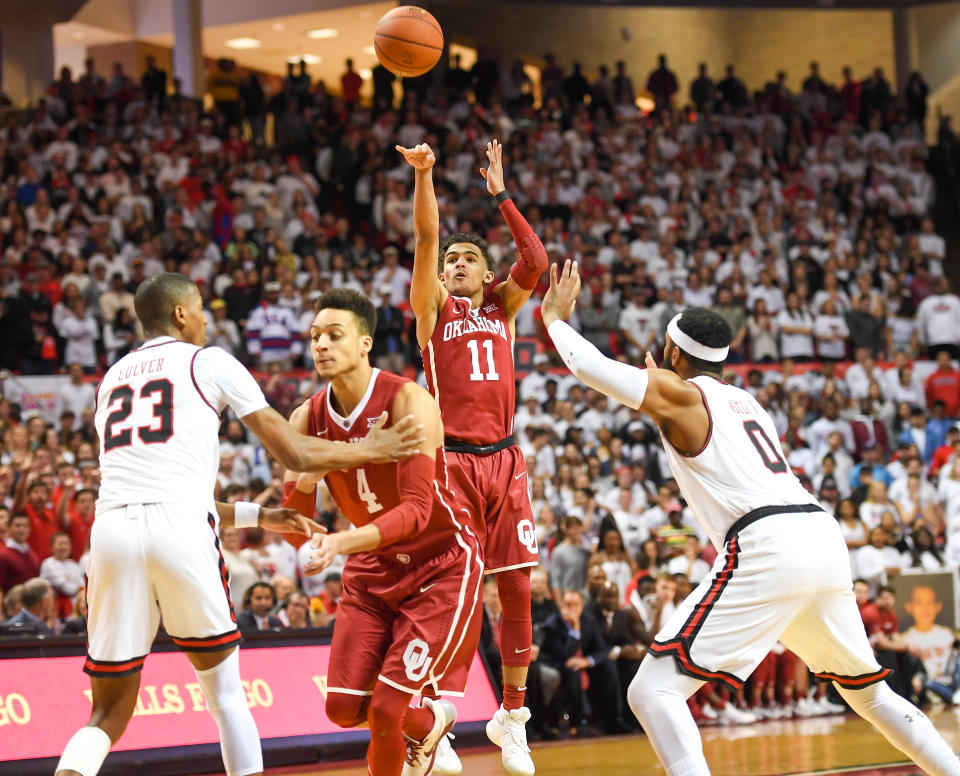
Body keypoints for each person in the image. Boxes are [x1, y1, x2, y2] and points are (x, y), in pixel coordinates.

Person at [539, 260, 960, 776]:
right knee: (869, 694)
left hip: (768, 541)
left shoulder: (681, 395)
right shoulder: (747, 401)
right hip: (819, 535)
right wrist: (659, 388)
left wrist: (556, 319)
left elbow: (589, 368)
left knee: (652, 690)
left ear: (673, 352)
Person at [55, 273, 422, 776]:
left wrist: (261, 515)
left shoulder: (112, 378)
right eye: (202, 307)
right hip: (180, 529)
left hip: (113, 531)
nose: (207, 318)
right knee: (225, 696)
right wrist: (371, 448)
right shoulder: (208, 361)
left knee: (107, 711)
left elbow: (158, 487)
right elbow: (292, 450)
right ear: (182, 314)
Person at [281, 288, 484, 776]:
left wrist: (339, 542)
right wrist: (308, 481)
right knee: (342, 709)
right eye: (314, 337)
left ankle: (415, 724)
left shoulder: (410, 400)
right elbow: (294, 525)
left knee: (386, 709)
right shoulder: (305, 417)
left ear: (366, 342)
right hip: (372, 569)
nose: (321, 346)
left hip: (439, 564)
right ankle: (430, 724)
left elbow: (416, 511)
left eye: (334, 335)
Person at [399, 139, 547, 776]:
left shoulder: (502, 307)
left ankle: (511, 718)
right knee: (454, 595)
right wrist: (427, 176)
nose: (456, 263)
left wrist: (501, 194)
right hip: (451, 464)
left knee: (517, 589)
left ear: (488, 275)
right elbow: (426, 235)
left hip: (506, 462)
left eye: (469, 259)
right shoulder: (432, 308)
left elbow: (535, 259)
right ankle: (437, 717)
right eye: (451, 259)